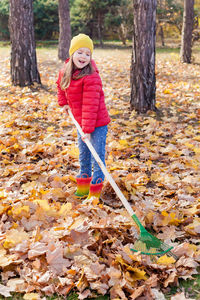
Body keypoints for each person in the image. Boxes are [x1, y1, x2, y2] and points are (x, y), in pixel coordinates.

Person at [57, 33, 110, 200]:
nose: (83, 57)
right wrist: (63, 102)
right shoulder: (65, 71)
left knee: (97, 156)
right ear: (72, 53)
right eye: (80, 52)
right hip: (82, 122)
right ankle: (83, 186)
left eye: (88, 54)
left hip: (97, 123)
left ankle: (95, 191)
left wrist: (87, 130)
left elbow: (90, 105)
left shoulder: (91, 76)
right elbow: (60, 86)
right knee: (83, 154)